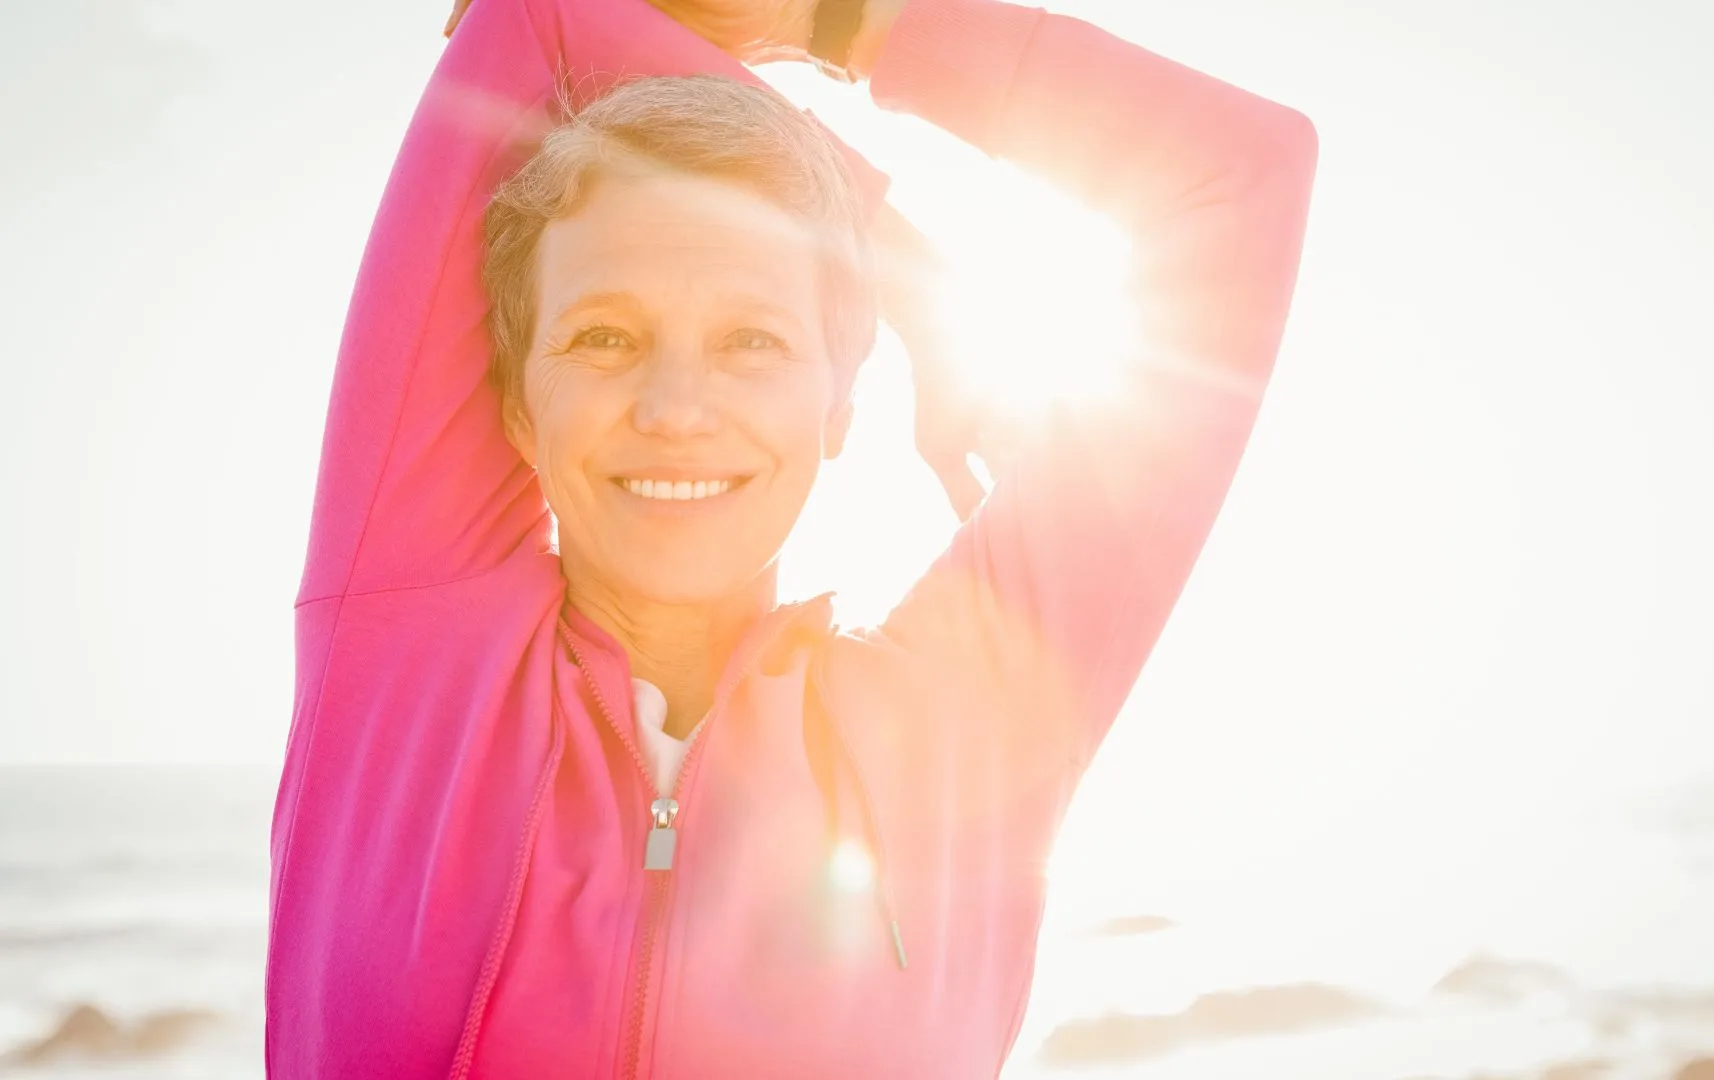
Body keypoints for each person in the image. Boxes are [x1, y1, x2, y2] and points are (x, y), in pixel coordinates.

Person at [268, 0, 1316, 1074]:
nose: (677, 405)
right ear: (521, 408)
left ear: (837, 406)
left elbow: (1244, 176)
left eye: (752, 339)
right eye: (603, 335)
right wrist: (901, 267)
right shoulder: (402, 654)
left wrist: (844, 24)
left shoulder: (971, 723)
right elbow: (533, 25)